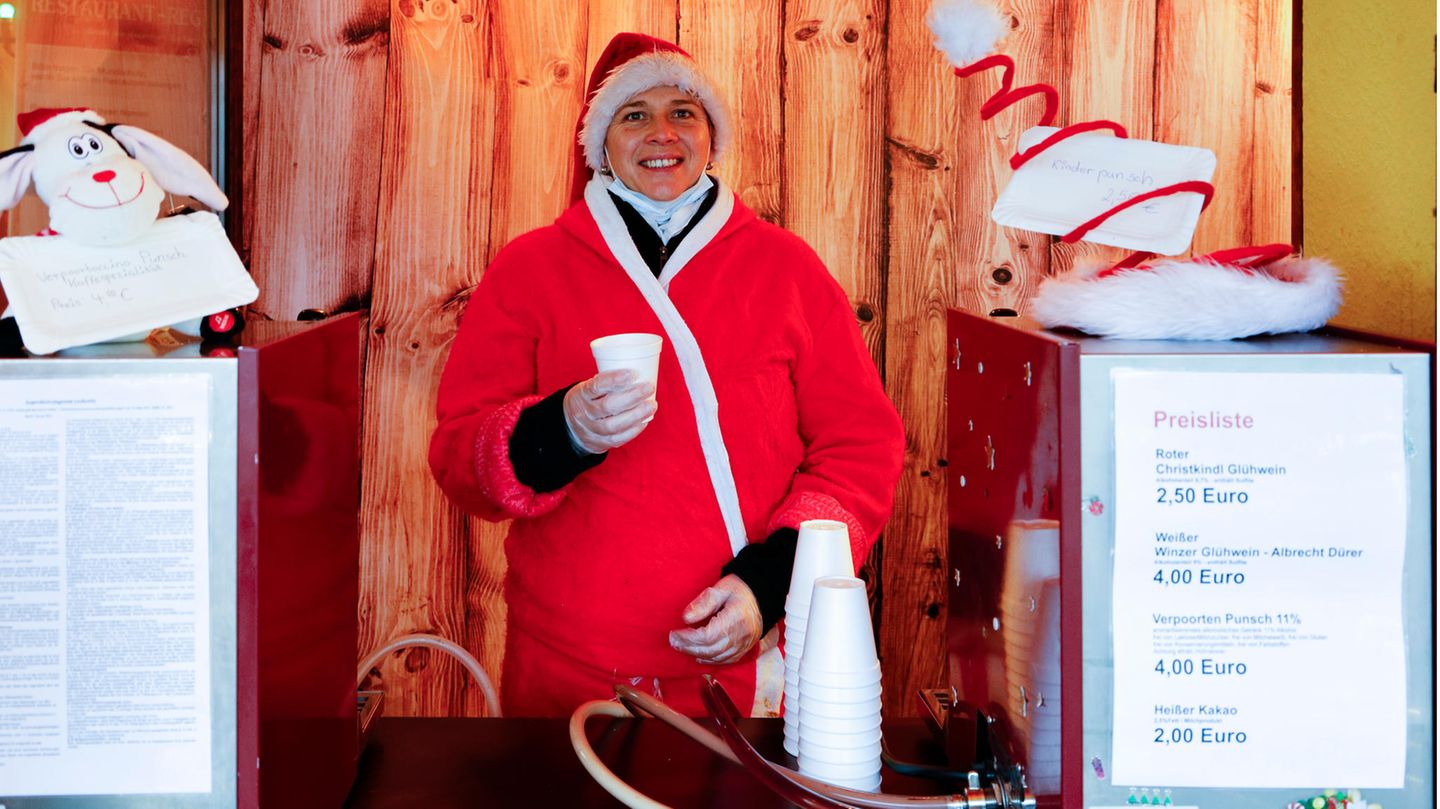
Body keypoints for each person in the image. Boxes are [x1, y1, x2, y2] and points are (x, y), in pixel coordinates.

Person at [429, 33, 904, 718]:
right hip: (566, 670)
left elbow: (861, 450)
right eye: (633, 114)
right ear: (599, 142)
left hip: (747, 661)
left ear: (712, 134)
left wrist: (769, 586)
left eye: (683, 111)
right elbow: (456, 457)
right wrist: (559, 429)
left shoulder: (787, 269)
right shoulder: (530, 270)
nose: (662, 133)